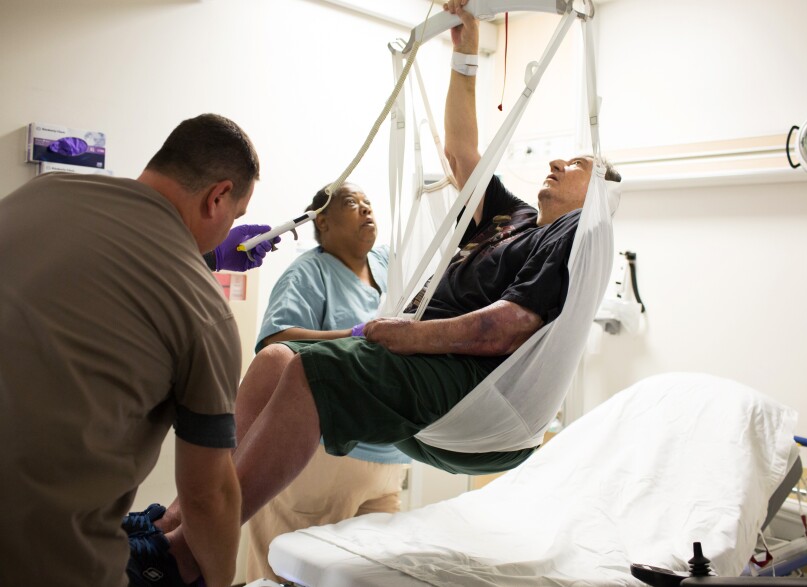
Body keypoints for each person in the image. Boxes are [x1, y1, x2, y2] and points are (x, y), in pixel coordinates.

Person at [129, 2, 620, 583]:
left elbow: (509, 325)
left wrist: (412, 335)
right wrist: (465, 53)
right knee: (275, 361)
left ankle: (180, 562)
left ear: (603, 197)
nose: (559, 162)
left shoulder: (576, 234)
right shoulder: (510, 220)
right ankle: (172, 526)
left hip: (476, 389)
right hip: (423, 382)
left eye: (579, 163)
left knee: (317, 374)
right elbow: (464, 157)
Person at [0, 113, 267, 587]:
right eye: (234, 218)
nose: (229, 231)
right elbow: (207, 498)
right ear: (218, 197)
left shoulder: (39, 194)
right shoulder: (205, 312)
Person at [246, 183, 410, 582]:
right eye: (353, 204)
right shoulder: (310, 271)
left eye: (369, 203)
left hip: (388, 459)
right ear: (323, 220)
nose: (367, 210)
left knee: (369, 576)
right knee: (289, 574)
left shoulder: (388, 266)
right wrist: (357, 334)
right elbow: (276, 341)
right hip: (320, 459)